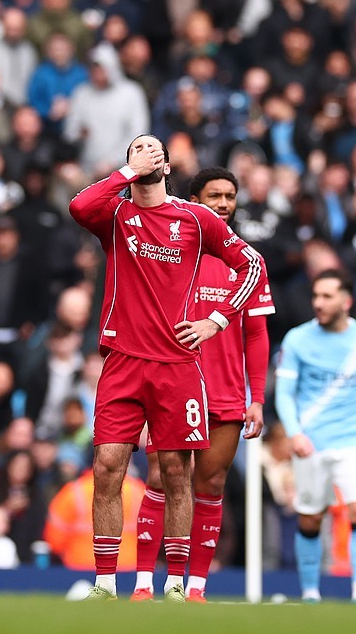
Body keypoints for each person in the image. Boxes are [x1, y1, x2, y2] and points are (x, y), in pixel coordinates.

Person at [68, 135, 266, 601]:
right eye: (140, 149)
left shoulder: (195, 219)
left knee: (176, 473)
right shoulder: (116, 216)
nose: (149, 154)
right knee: (107, 466)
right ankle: (103, 583)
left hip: (177, 365)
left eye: (156, 150)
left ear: (170, 165)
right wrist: (125, 174)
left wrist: (216, 321)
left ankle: (175, 583)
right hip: (122, 362)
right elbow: (79, 206)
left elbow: (251, 265)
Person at [131, 166, 274, 603]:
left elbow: (256, 334)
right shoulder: (170, 252)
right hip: (171, 389)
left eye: (230, 196)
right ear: (193, 200)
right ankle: (142, 584)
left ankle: (195, 589)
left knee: (210, 486)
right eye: (215, 195)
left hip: (227, 392)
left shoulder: (246, 261)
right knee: (160, 479)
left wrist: (258, 398)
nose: (224, 204)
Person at [274, 269, 356, 604]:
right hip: (311, 442)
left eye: (326, 296)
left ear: (346, 301)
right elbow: (284, 393)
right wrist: (294, 434)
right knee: (310, 518)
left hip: (355, 441)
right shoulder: (297, 339)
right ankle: (310, 593)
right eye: (316, 296)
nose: (318, 303)